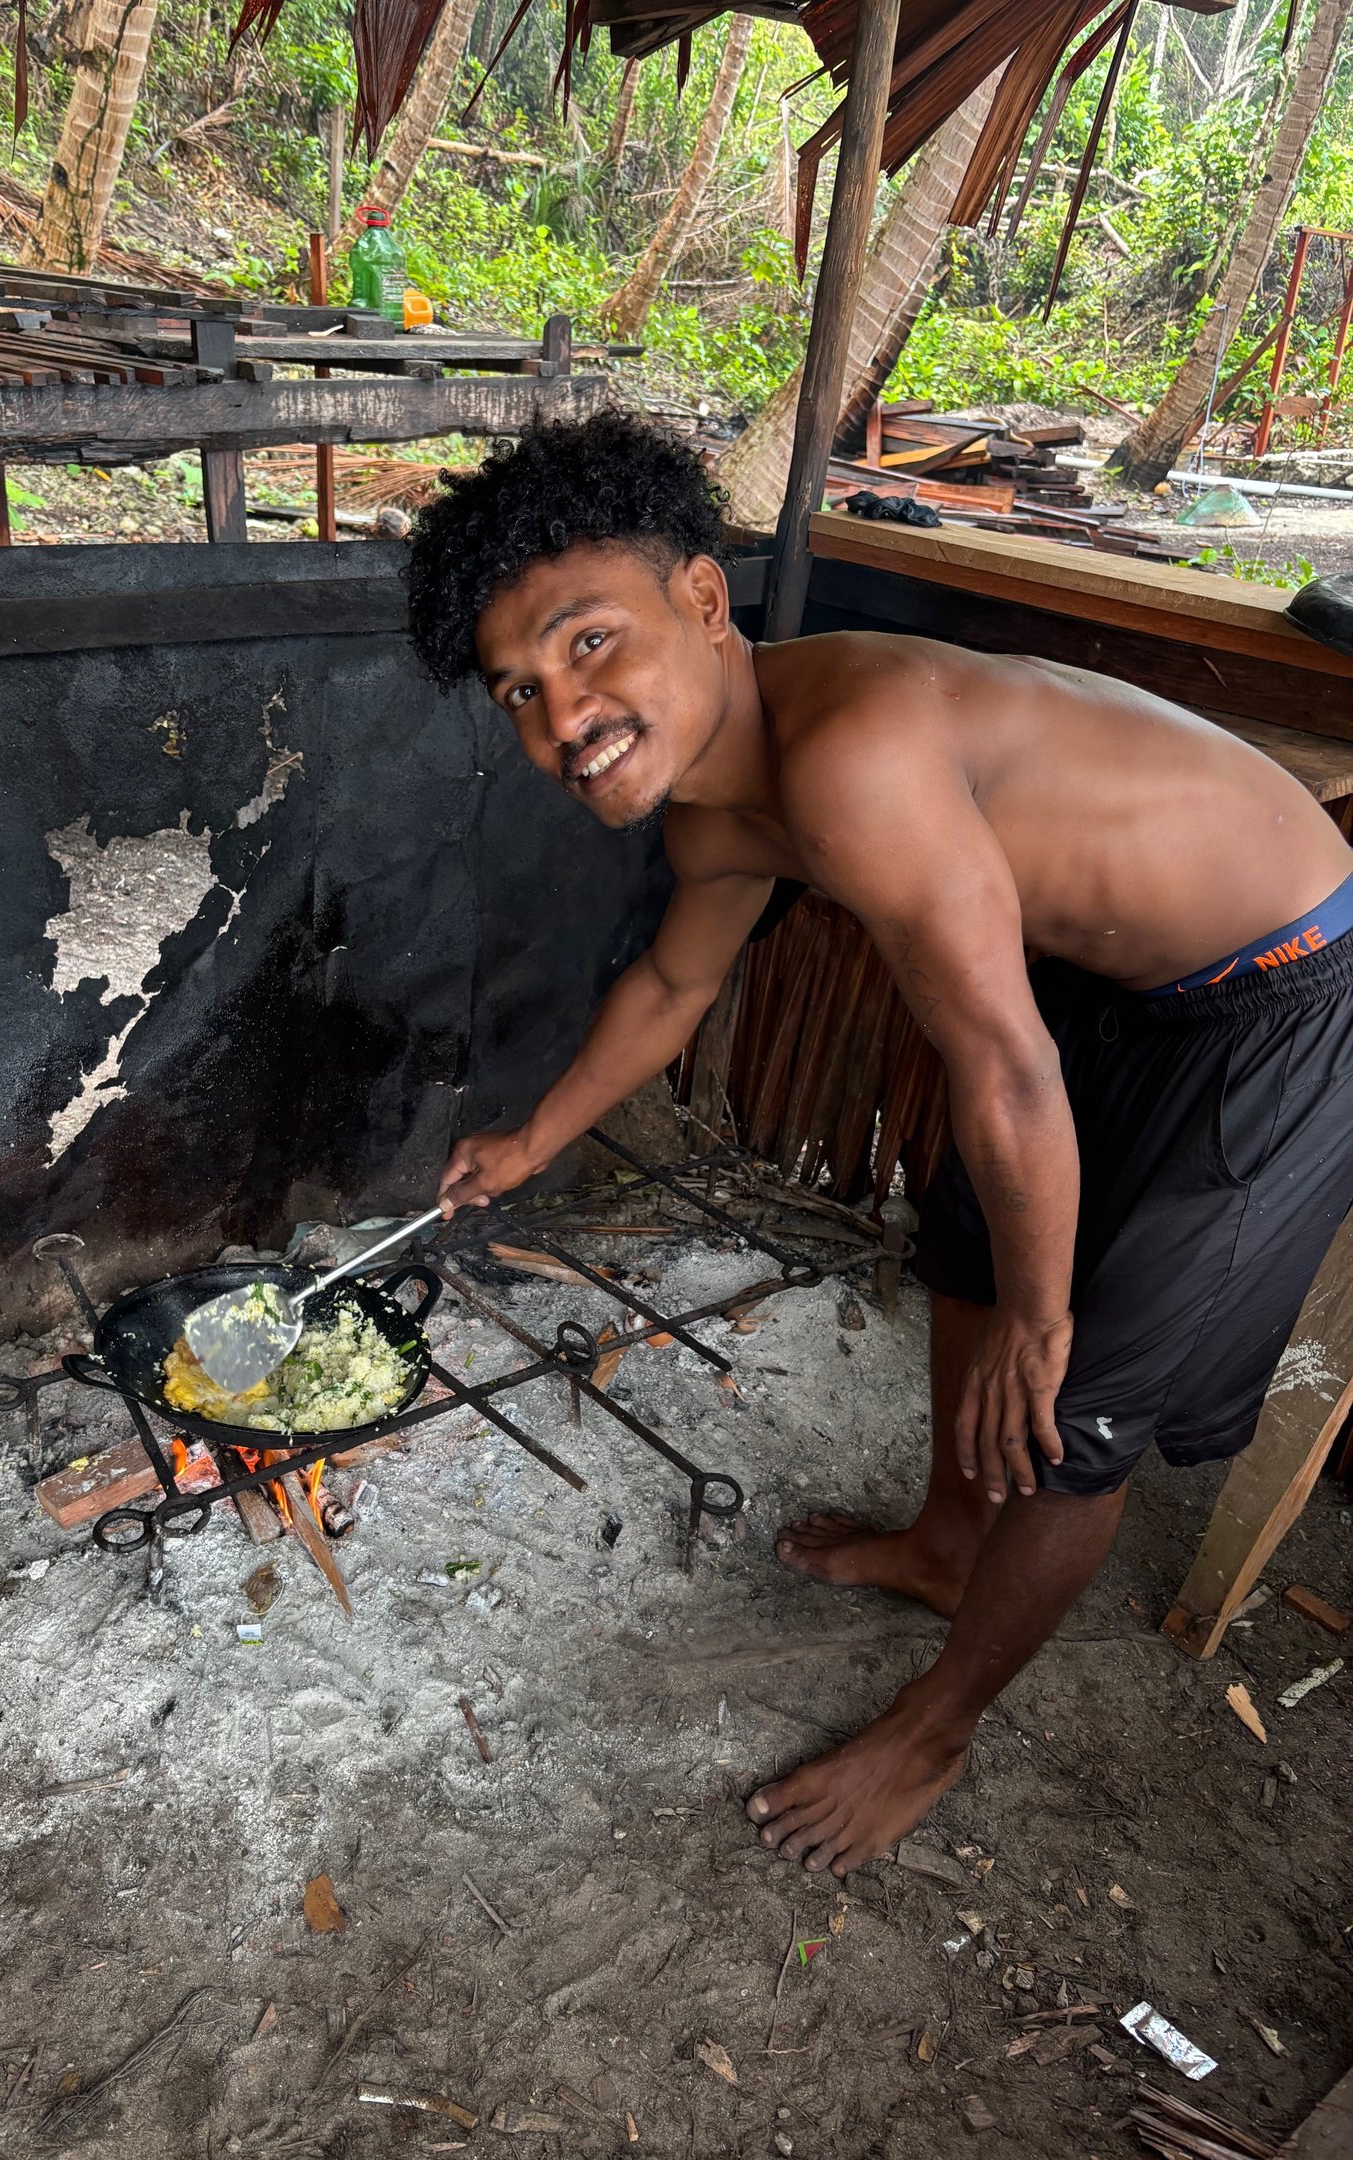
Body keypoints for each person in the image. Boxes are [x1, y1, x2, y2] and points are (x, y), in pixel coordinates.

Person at [406, 410, 1353, 1877]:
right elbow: (674, 984)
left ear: (704, 601)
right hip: (1126, 984)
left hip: (1286, 989)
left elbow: (1003, 1062)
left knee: (1073, 1407)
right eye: (518, 690)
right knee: (969, 1234)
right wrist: (532, 1139)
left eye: (591, 646)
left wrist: (1049, 1324)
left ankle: (937, 1731)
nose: (560, 717)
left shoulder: (855, 752)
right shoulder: (721, 808)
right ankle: (940, 1544)